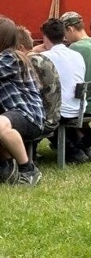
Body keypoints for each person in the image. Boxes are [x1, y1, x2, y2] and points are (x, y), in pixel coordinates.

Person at [0, 16, 44, 186]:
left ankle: (28, 170)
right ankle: (4, 166)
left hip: (28, 115)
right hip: (12, 114)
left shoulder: (12, 57)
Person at [35, 18, 87, 163]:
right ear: (64, 35)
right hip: (79, 107)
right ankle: (77, 148)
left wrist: (33, 51)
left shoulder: (44, 58)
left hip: (60, 112)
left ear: (45, 38)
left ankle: (73, 152)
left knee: (38, 108)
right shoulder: (76, 55)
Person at [16, 26, 61, 139]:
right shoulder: (43, 58)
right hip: (53, 117)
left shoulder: (29, 63)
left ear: (20, 48)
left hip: (43, 121)